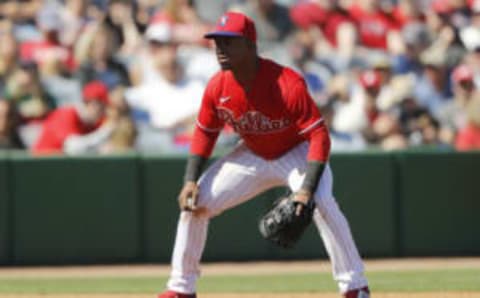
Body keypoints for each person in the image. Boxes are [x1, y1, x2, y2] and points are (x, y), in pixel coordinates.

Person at [158, 12, 370, 298]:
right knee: (196, 204)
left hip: (296, 151)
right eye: (217, 42)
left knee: (321, 201)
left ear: (250, 45)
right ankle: (181, 288)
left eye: (229, 42)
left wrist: (306, 190)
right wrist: (190, 180)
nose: (220, 49)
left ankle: (355, 286)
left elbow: (319, 136)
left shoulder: (287, 83)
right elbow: (206, 132)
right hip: (253, 154)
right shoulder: (217, 87)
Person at [33, 80, 113, 155]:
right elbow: (72, 148)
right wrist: (105, 132)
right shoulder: (65, 114)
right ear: (91, 103)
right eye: (102, 106)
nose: (104, 111)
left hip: (63, 166)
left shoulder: (94, 122)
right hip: (41, 165)